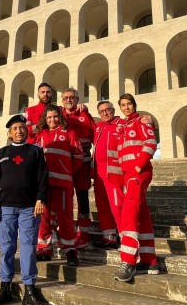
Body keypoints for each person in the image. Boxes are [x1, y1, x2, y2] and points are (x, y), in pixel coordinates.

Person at [0, 114, 49, 305]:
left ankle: (29, 289)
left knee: (29, 248)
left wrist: (40, 199)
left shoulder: (35, 151)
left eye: (22, 127)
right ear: (9, 132)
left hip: (29, 208)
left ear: (27, 130)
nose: (19, 131)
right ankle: (5, 286)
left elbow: (43, 177)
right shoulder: (2, 153)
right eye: (15, 128)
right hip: (5, 208)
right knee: (6, 247)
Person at [114, 94, 158, 283]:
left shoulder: (142, 121)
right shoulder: (122, 127)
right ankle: (150, 261)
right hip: (128, 174)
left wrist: (138, 166)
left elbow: (150, 143)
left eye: (129, 104)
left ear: (134, 105)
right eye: (123, 105)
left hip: (137, 172)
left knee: (129, 212)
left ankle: (128, 261)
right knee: (142, 215)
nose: (126, 107)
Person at [34, 104, 84, 266]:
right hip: (43, 184)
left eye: (55, 116)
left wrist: (67, 171)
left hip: (63, 182)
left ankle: (70, 251)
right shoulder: (40, 135)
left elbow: (78, 156)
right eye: (49, 117)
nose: (52, 120)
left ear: (60, 117)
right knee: (44, 218)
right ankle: (44, 249)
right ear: (45, 119)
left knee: (65, 217)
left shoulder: (68, 133)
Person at [60, 87, 96, 248]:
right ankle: (65, 234)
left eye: (72, 97)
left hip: (83, 163)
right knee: (64, 201)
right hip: (64, 164)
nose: (69, 100)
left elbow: (97, 135)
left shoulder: (85, 115)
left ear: (77, 99)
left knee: (82, 198)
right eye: (66, 97)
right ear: (62, 100)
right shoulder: (58, 116)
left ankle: (83, 235)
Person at [92, 101, 125, 249]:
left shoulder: (122, 124)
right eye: (101, 111)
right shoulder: (99, 126)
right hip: (99, 174)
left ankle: (125, 237)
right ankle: (109, 237)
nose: (105, 113)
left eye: (107, 110)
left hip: (115, 173)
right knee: (103, 206)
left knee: (118, 206)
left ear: (113, 110)